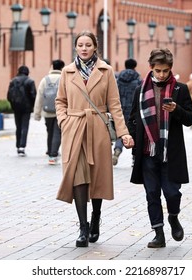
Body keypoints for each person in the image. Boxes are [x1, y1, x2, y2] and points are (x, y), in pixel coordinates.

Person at [55, 30, 134, 247]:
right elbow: (60, 101)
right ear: (75, 47)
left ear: (95, 47)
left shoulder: (106, 71)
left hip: (98, 130)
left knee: (97, 176)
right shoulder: (67, 72)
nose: (84, 48)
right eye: (80, 45)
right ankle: (82, 227)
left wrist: (123, 133)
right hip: (74, 129)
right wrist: (64, 121)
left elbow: (114, 105)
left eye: (88, 45)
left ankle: (96, 218)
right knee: (78, 175)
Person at [127, 48, 192, 248]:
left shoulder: (179, 90)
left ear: (170, 69)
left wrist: (177, 110)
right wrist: (132, 137)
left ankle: (173, 217)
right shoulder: (140, 90)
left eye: (165, 71)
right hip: (147, 152)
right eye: (158, 71)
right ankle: (158, 233)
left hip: (170, 152)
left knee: (172, 192)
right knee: (152, 193)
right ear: (151, 68)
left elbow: (190, 119)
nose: (162, 75)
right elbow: (132, 118)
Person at [33, 59, 65, 165]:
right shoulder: (64, 79)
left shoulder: (45, 80)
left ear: (52, 67)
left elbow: (39, 97)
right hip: (60, 111)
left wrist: (37, 113)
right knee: (57, 132)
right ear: (62, 68)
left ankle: (50, 151)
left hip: (47, 111)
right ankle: (53, 154)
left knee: (50, 132)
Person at [112, 58, 142, 166]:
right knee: (135, 133)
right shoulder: (138, 80)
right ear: (135, 66)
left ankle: (117, 150)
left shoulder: (118, 79)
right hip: (134, 111)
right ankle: (135, 158)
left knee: (121, 132)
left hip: (121, 109)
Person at [7, 65, 36, 156]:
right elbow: (33, 95)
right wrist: (33, 106)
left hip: (16, 107)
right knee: (24, 127)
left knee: (18, 127)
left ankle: (18, 145)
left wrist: (13, 104)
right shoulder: (30, 81)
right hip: (26, 108)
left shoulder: (13, 81)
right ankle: (22, 147)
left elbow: (8, 96)